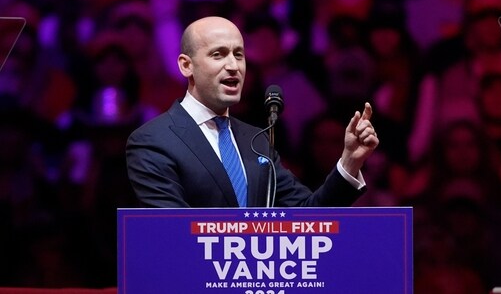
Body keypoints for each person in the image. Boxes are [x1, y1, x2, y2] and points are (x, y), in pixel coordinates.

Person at [125, 16, 379, 208]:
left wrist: (350, 162)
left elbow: (309, 217)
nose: (233, 66)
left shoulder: (256, 141)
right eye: (218, 55)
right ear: (186, 65)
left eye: (239, 54)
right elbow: (171, 234)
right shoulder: (153, 141)